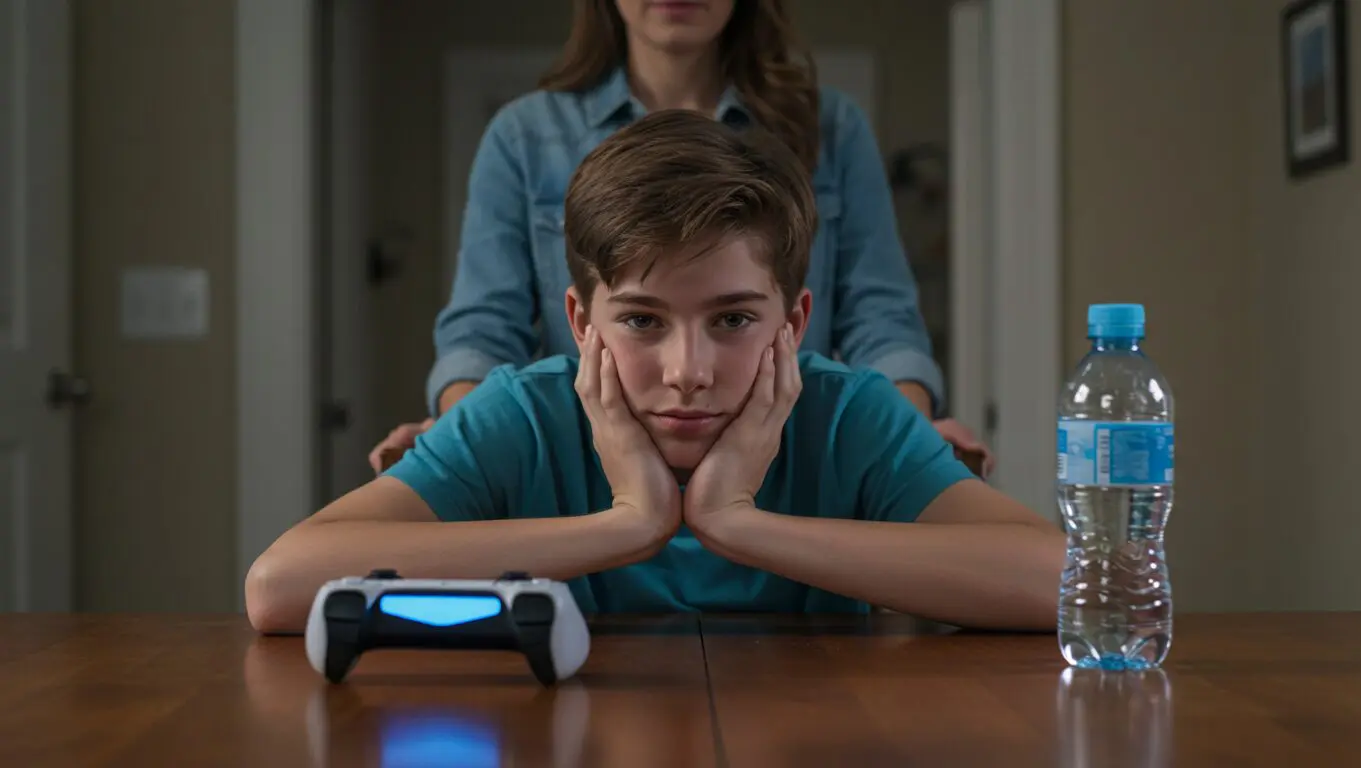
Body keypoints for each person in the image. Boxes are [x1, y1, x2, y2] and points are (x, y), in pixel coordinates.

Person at [245, 109, 1062, 634]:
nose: (689, 372)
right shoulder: (523, 414)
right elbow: (279, 586)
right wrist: (628, 523)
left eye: (734, 320)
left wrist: (736, 521)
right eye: (641, 320)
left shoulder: (850, 414)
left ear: (795, 321)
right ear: (579, 322)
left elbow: (1068, 582)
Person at [368, 0, 994, 477]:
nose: (686, 371)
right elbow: (481, 331)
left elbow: (881, 320)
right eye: (644, 318)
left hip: (791, 468)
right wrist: (463, 439)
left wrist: (905, 437)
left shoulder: (830, 128)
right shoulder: (524, 137)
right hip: (592, 471)